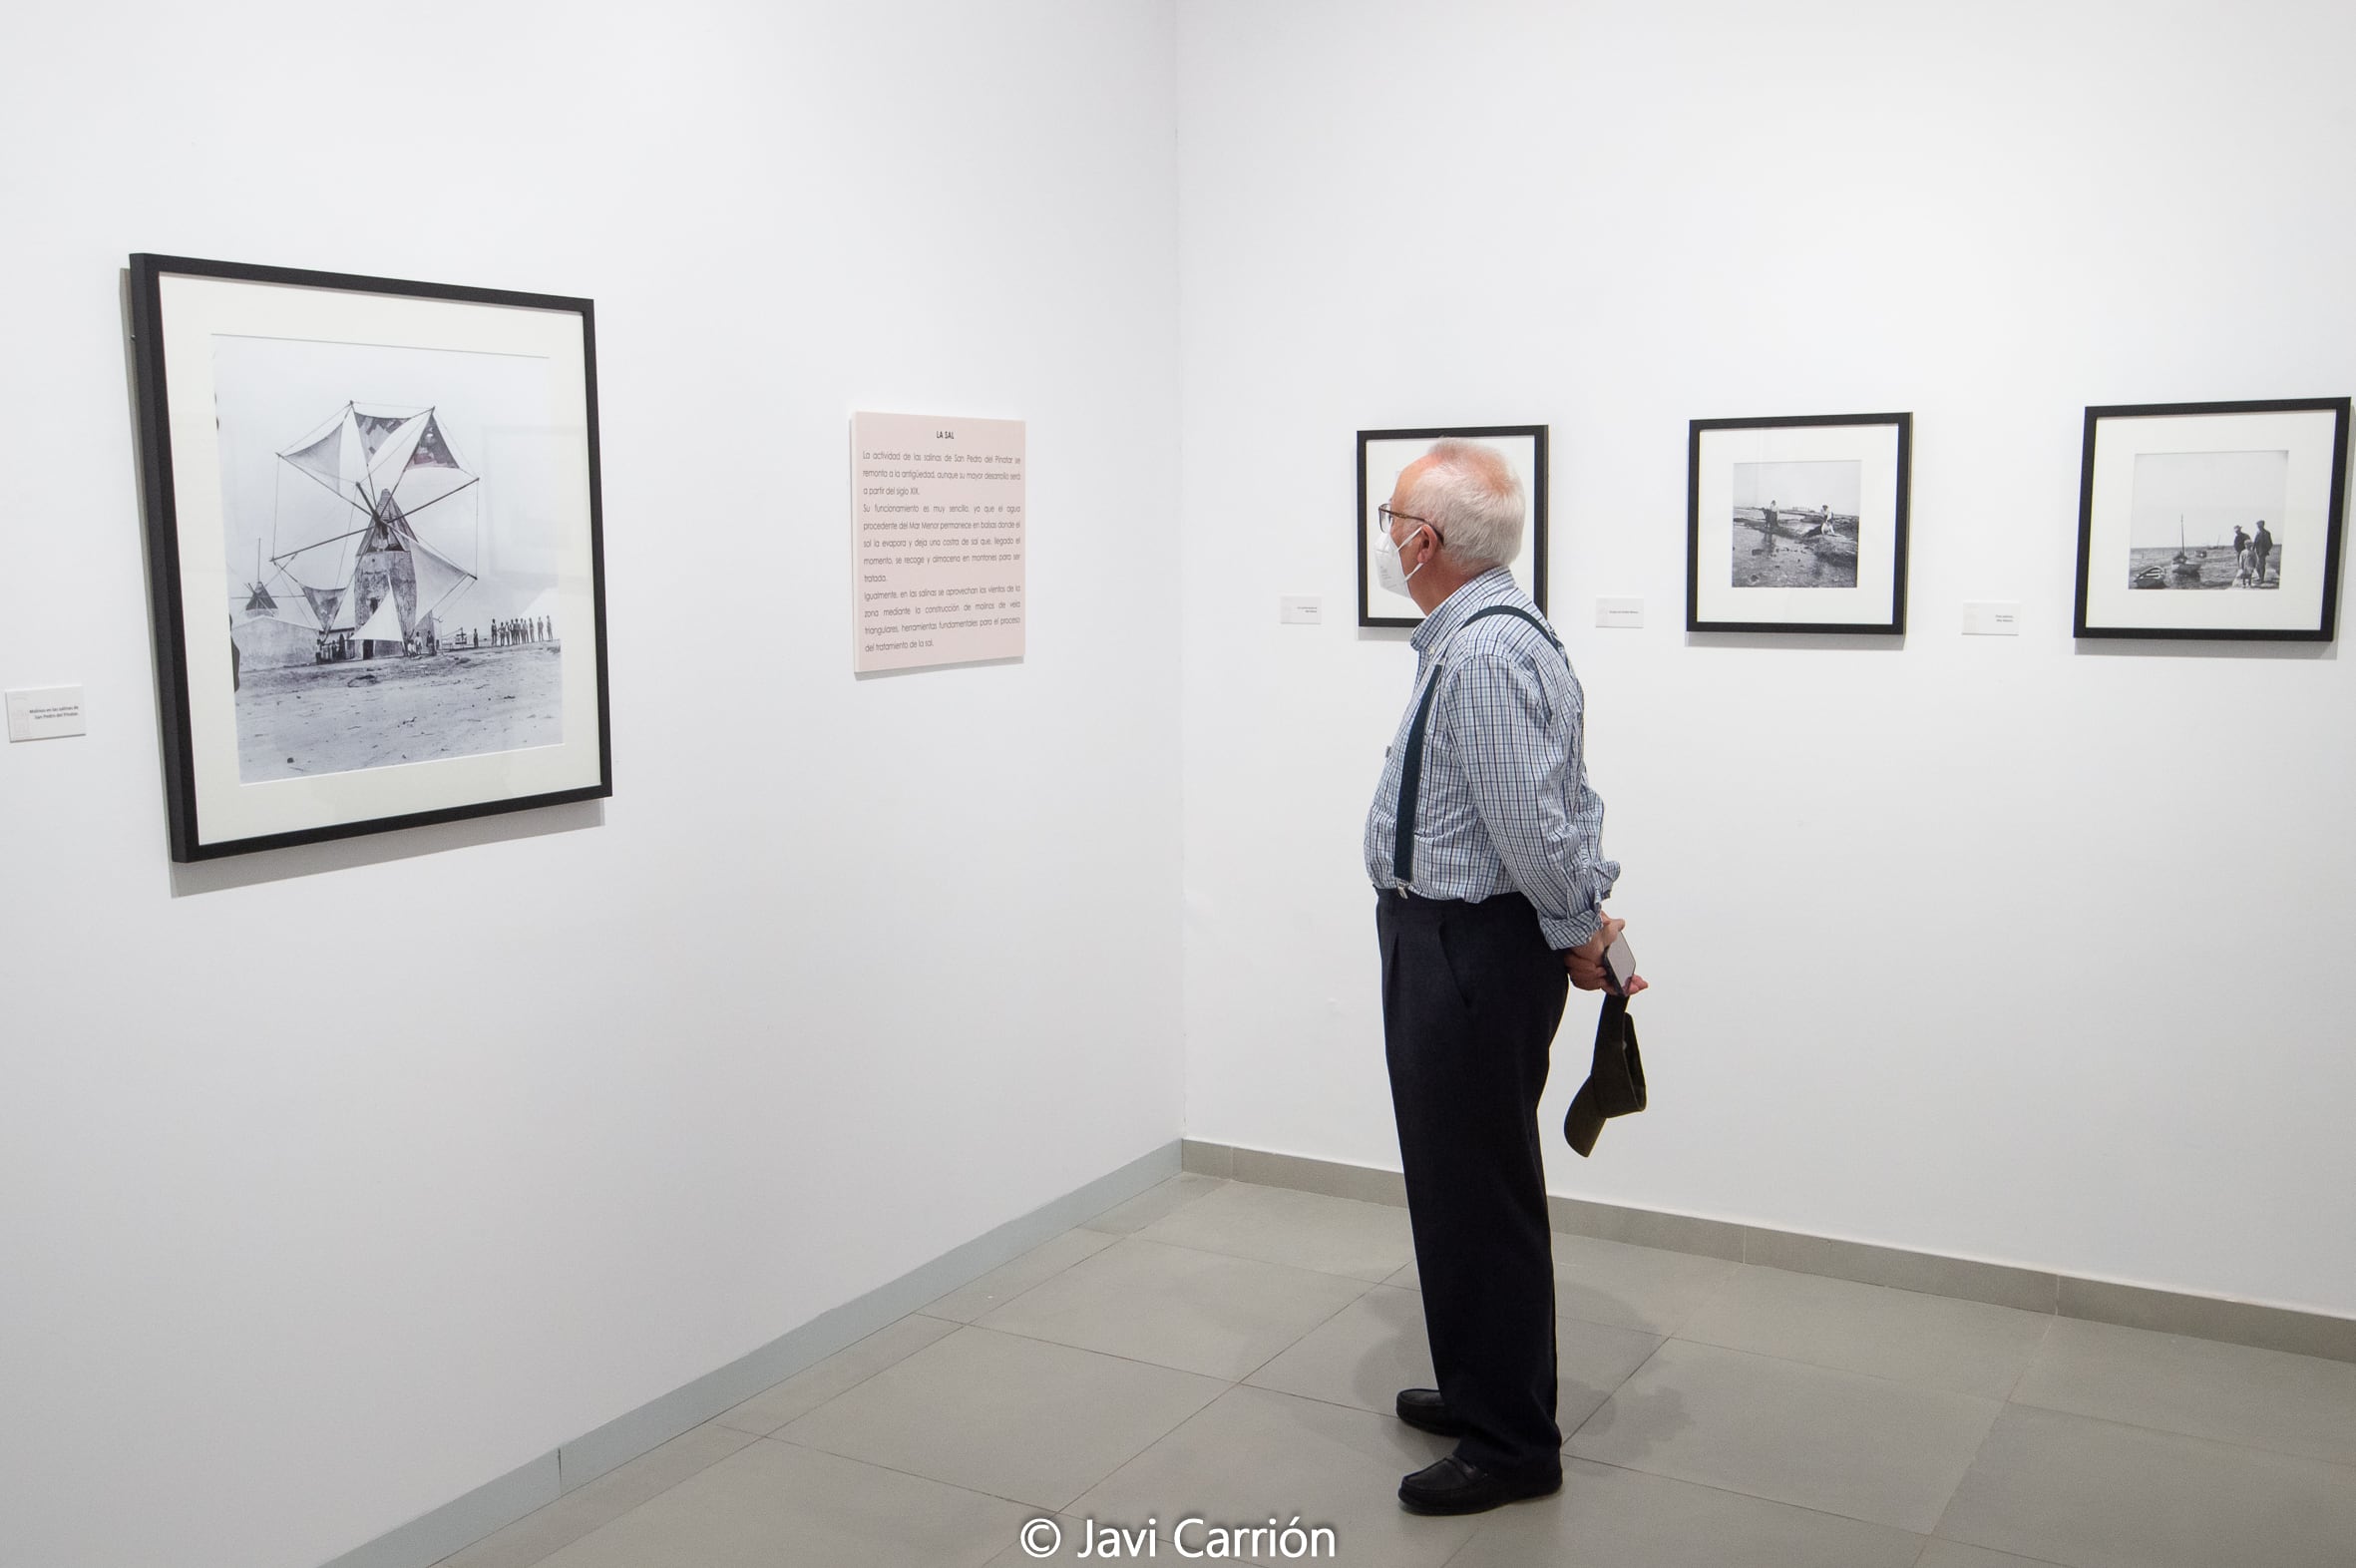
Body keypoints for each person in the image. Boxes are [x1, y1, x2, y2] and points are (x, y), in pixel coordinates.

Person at [1364, 440, 1643, 1517]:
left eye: (1391, 520)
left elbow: (1531, 825)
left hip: (1469, 949)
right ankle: (1484, 1388)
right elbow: (1559, 799)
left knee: (1477, 1193)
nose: (1385, 536)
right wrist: (1580, 917)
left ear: (1423, 541)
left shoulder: (1481, 656)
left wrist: (1579, 926)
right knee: (1459, 1184)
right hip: (1451, 943)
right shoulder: (1485, 638)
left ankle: (1511, 1443)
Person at [2254, 520, 2275, 586]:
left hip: (2262, 552)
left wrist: (2265, 551)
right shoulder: (2258, 532)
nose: (2258, 526)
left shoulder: (2266, 533)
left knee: (2261, 566)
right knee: (2257, 566)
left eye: (2259, 525)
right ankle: (2261, 577)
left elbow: (2270, 544)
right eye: (2257, 525)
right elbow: (2255, 541)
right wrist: (2253, 548)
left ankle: (2262, 579)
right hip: (2257, 552)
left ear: (2262, 525)